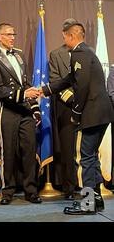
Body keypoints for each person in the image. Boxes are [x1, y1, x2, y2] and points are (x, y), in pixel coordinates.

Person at [41, 22, 114, 214]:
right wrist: (43, 91)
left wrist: (76, 114)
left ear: (71, 36)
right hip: (102, 113)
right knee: (92, 158)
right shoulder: (87, 52)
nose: (64, 41)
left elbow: (81, 88)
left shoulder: (78, 54)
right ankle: (96, 200)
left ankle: (88, 203)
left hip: (91, 114)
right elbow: (68, 80)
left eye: (65, 37)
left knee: (85, 159)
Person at [0, 23, 42, 205]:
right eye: (8, 34)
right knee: (8, 153)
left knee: (29, 151)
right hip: (8, 110)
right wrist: (23, 95)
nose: (13, 37)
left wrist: (35, 107)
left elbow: (26, 82)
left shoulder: (19, 56)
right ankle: (7, 191)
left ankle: (31, 190)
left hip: (25, 111)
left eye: (14, 34)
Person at [48, 18, 78, 200]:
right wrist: (73, 99)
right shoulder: (55, 54)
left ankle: (91, 186)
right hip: (66, 108)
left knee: (87, 150)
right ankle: (69, 188)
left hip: (87, 107)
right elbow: (55, 80)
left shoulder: (87, 52)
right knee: (67, 150)